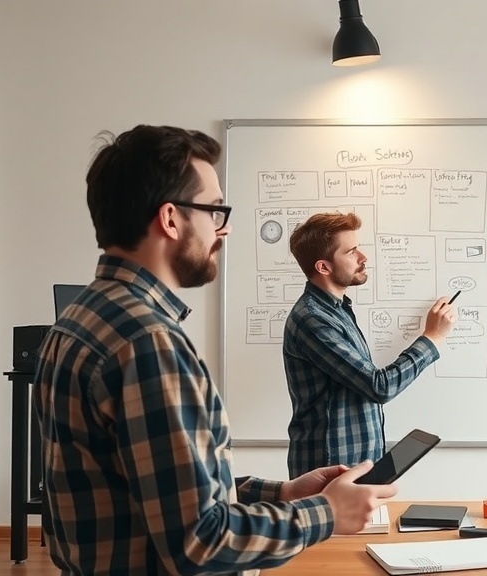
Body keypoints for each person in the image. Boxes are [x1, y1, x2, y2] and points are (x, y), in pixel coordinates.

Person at [32, 125, 395, 575]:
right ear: (170, 219)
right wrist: (326, 513)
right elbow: (199, 541)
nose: (223, 231)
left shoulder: (79, 318)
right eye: (214, 211)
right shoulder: (148, 343)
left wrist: (283, 493)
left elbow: (164, 493)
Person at [283, 212, 457, 479]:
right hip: (329, 476)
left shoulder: (338, 311)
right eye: (351, 251)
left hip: (356, 469)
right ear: (323, 267)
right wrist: (432, 338)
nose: (363, 258)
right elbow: (379, 386)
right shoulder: (313, 319)